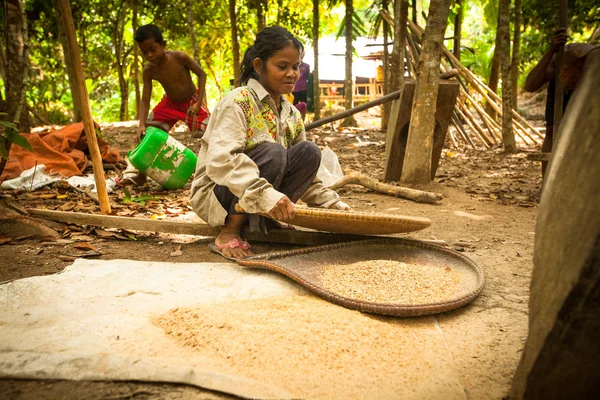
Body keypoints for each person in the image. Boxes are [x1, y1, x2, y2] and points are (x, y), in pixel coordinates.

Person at [190, 26, 351, 260]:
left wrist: (333, 204)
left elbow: (307, 176)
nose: (291, 74)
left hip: (260, 197)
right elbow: (222, 162)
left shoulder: (292, 114)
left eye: (295, 67)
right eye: (282, 66)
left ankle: (267, 222)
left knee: (309, 151)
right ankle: (230, 230)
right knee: (273, 153)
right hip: (217, 196)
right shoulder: (238, 101)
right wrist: (267, 198)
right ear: (259, 66)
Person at [122, 24, 211, 186]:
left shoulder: (180, 57)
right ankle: (141, 176)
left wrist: (199, 103)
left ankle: (211, 173)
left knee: (211, 134)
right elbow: (145, 99)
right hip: (169, 105)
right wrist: (141, 124)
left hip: (192, 102)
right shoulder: (149, 70)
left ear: (163, 44)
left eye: (153, 49)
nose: (149, 55)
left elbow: (202, 74)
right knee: (146, 134)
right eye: (144, 52)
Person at [524, 28, 598, 178]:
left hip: (590, 93)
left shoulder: (593, 64)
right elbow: (530, 85)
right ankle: (547, 183)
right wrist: (551, 50)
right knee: (552, 131)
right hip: (561, 92)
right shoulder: (563, 58)